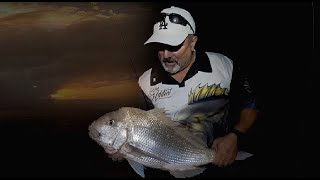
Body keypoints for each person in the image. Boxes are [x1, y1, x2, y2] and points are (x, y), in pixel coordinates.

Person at [111, 5, 258, 177]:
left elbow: (251, 105)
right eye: (160, 46)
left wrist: (235, 136)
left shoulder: (224, 65)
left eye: (174, 45)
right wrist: (124, 147)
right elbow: (142, 132)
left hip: (222, 166)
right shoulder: (145, 82)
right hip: (173, 170)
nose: (166, 55)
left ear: (193, 41)